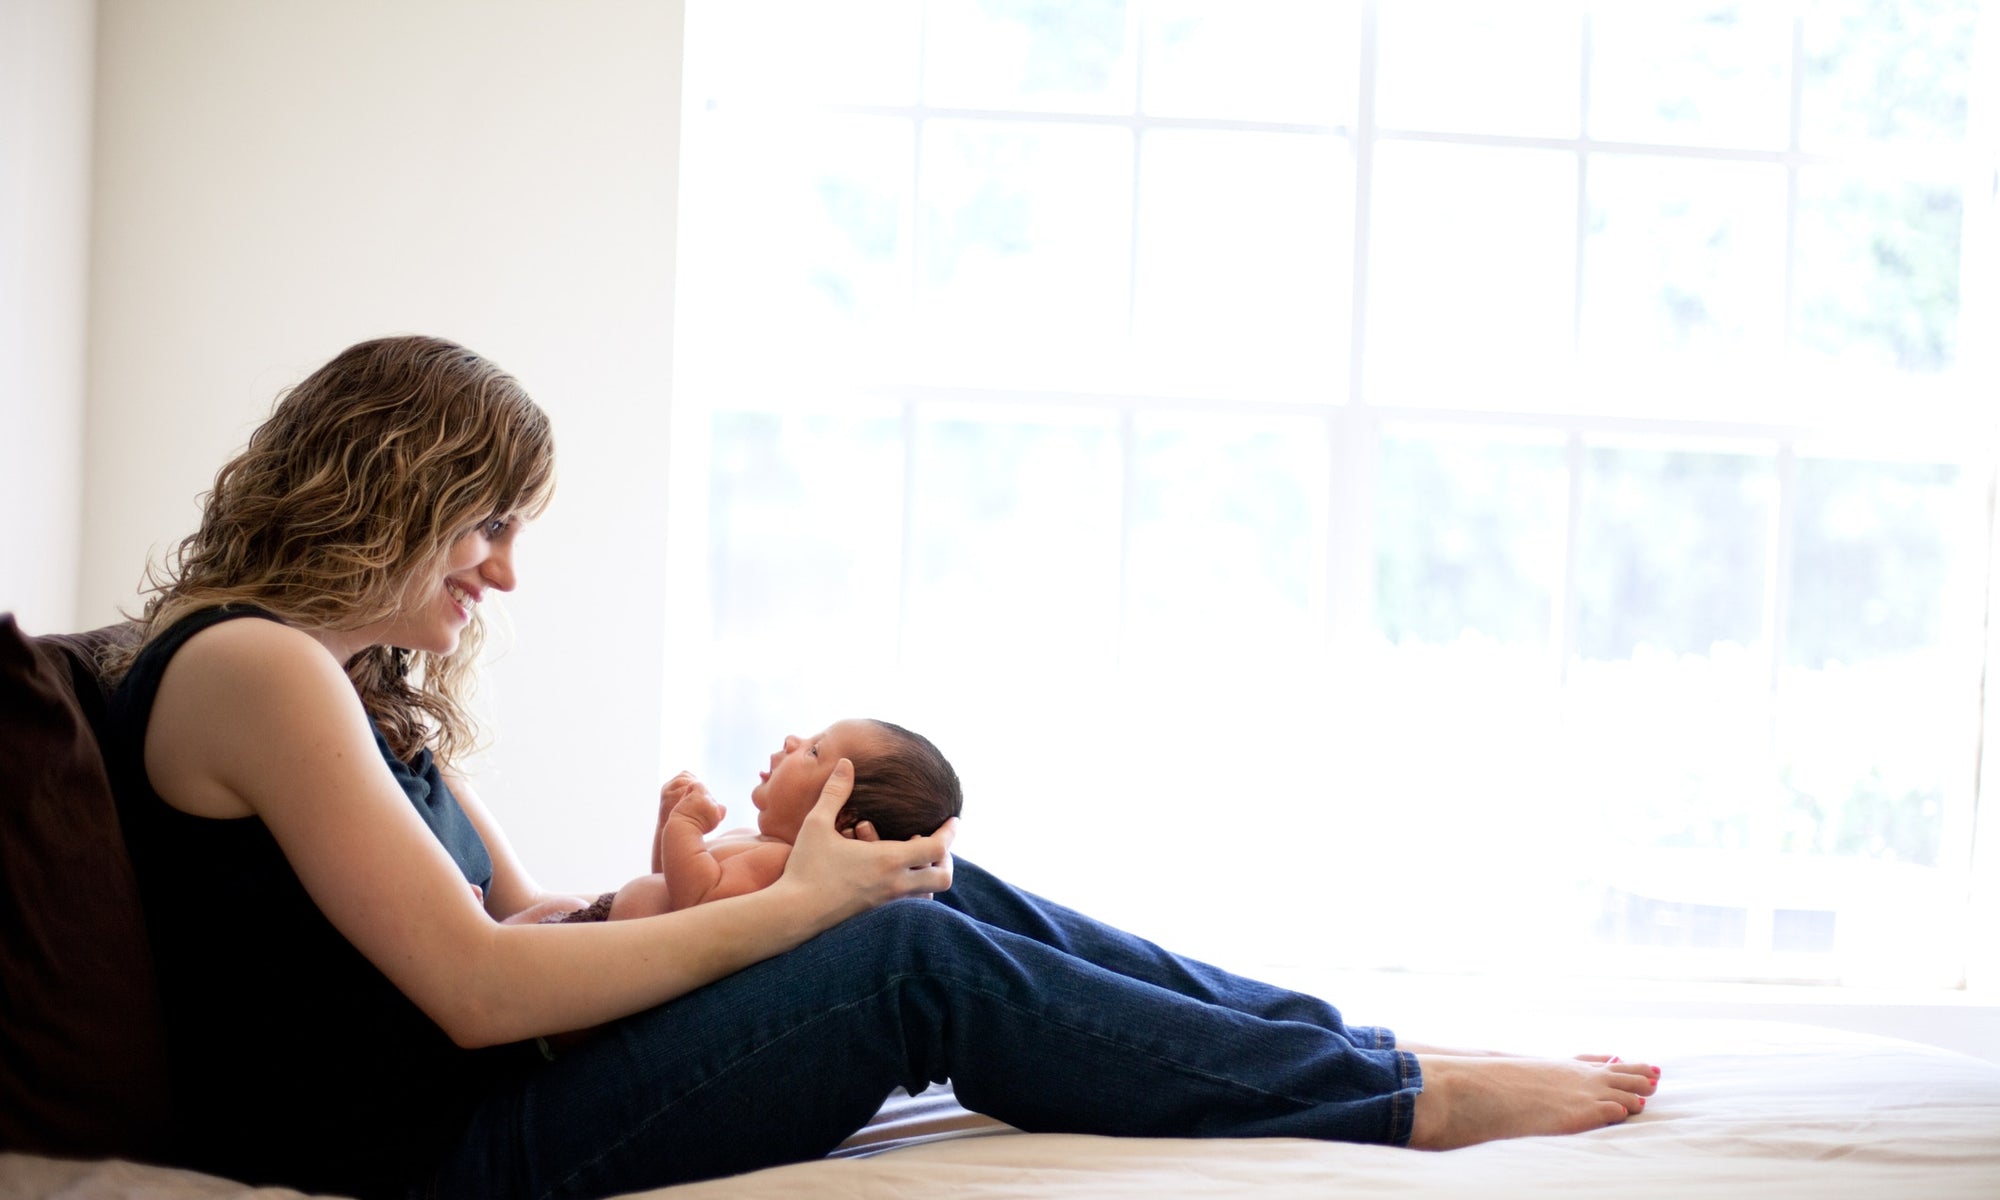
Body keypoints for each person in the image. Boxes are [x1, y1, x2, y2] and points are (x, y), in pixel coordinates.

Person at [102, 334, 1660, 1200]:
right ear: (396, 487)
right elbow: (480, 994)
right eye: (489, 524)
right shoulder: (254, 666)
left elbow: (523, 927)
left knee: (918, 886)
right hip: (438, 1153)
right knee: (911, 955)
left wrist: (762, 884)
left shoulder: (338, 685)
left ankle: (1361, 1052)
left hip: (494, 1092)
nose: (502, 575)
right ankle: (1406, 1110)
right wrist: (792, 916)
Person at [516, 720, 963, 923]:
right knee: (538, 916)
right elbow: (669, 883)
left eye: (813, 751)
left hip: (600, 973)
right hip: (602, 929)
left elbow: (698, 901)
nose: (793, 739)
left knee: (529, 928)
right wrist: (666, 822)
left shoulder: (778, 866)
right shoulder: (753, 841)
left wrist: (686, 827)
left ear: (838, 816)